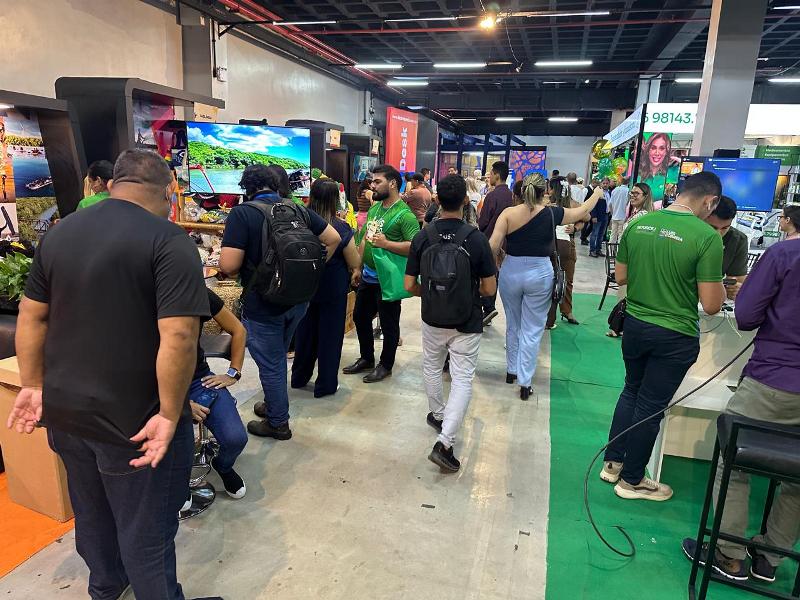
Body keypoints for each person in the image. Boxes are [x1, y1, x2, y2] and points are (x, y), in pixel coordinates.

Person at [6, 149, 216, 600]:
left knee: (93, 515)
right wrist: (169, 413)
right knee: (146, 532)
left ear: (114, 184)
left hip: (66, 414)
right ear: (168, 189)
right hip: (136, 422)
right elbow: (179, 336)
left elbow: (32, 316)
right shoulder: (169, 240)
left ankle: (105, 587)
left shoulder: (61, 233)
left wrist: (34, 384)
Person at [681, 217, 800, 583]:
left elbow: (745, 316)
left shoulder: (784, 255)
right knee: (797, 480)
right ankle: (770, 558)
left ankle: (729, 555)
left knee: (732, 464)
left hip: (776, 379)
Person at [600, 172, 725, 501]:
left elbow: (621, 276)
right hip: (674, 335)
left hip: (635, 324)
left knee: (631, 391)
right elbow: (712, 305)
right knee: (651, 406)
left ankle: (613, 463)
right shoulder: (707, 237)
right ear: (710, 201)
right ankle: (632, 481)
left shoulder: (638, 224)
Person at [220, 164, 341, 440]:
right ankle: (274, 403)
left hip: (263, 303)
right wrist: (313, 271)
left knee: (271, 364)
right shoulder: (297, 209)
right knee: (277, 357)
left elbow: (228, 265)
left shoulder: (242, 213)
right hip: (298, 301)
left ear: (247, 188)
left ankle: (278, 423)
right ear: (276, 185)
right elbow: (333, 239)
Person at [404, 175, 497, 472]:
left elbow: (409, 285)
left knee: (432, 367)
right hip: (466, 320)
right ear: (466, 201)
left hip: (432, 317)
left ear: (437, 200)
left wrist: (432, 294)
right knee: (462, 379)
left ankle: (438, 415)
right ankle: (444, 443)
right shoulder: (476, 239)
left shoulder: (423, 236)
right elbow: (489, 289)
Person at [489, 174, 603, 400]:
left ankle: (511, 371)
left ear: (522, 191)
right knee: (532, 329)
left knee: (513, 324)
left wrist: (491, 266)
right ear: (545, 192)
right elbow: (582, 212)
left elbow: (492, 245)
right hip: (540, 273)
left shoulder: (508, 214)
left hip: (511, 270)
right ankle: (525, 382)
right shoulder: (553, 213)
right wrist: (597, 194)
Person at [343, 164, 419, 384]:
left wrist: (387, 244)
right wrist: (357, 267)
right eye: (372, 181)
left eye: (377, 181)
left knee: (389, 324)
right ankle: (367, 358)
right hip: (368, 275)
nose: (372, 186)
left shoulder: (405, 215)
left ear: (393, 183)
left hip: (388, 280)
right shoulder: (375, 209)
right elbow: (364, 240)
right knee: (360, 317)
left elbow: (415, 247)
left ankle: (386, 365)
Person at [292, 179, 360, 397]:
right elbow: (353, 261)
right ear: (334, 200)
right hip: (332, 288)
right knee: (330, 338)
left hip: (303, 287)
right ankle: (326, 385)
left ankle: (299, 378)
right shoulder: (340, 227)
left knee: (304, 335)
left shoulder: (299, 223)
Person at [190, 289, 248, 498]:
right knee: (177, 447)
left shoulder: (198, 293)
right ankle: (176, 484)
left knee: (235, 438)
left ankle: (222, 466)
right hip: (156, 386)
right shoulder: (141, 297)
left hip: (198, 379)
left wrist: (234, 372)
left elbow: (238, 329)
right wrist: (178, 404)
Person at [606, 182, 655, 337]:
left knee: (625, 294)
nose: (632, 196)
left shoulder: (643, 216)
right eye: (632, 193)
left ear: (645, 196)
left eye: (636, 193)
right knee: (624, 294)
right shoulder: (636, 213)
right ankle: (619, 327)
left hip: (633, 261)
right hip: (626, 259)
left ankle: (619, 327)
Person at [545, 180, 586, 329]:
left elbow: (586, 217)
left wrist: (575, 228)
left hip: (567, 243)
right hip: (552, 243)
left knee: (567, 279)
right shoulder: (547, 203)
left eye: (550, 188)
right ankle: (551, 316)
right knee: (553, 279)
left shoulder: (572, 204)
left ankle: (566, 311)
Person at [477, 161, 513, 327]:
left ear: (497, 175)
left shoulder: (492, 196)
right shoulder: (512, 196)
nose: (488, 177)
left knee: (485, 274)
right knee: (496, 274)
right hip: (507, 242)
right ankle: (489, 307)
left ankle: (488, 307)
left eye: (490, 174)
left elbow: (483, 221)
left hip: (489, 240)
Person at [704, 196, 748, 301]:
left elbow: (737, 280)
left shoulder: (738, 240)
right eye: (713, 227)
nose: (718, 234)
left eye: (725, 228)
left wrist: (735, 289)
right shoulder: (687, 233)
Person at [638, 132, 680, 203]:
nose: (657, 153)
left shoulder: (673, 172)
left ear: (666, 152)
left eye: (661, 148)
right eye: (653, 148)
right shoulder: (639, 173)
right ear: (648, 150)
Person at [589, 178, 612, 257]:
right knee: (594, 233)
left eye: (607, 183)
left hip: (606, 215)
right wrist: (593, 216)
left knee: (601, 234)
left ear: (609, 184)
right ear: (601, 184)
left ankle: (598, 249)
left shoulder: (609, 193)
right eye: (604, 183)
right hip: (598, 216)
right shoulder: (597, 192)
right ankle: (592, 250)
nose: (605, 185)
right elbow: (593, 204)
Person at [608, 176, 630, 244]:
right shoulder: (628, 191)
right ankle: (619, 250)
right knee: (621, 235)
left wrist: (612, 213)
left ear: (621, 181)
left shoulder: (615, 190)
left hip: (614, 216)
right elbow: (628, 204)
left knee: (613, 235)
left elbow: (610, 204)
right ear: (628, 182)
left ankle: (610, 249)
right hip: (623, 217)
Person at [581, 178, 600, 245]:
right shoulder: (586, 189)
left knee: (592, 224)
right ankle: (583, 238)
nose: (597, 185)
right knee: (585, 224)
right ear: (593, 183)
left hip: (591, 209)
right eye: (597, 184)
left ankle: (584, 236)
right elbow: (582, 199)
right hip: (585, 209)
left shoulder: (594, 190)